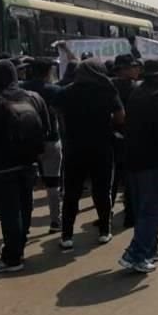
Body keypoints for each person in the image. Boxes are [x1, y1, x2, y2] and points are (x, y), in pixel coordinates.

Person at [0, 60, 51, 273]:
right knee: (25, 206)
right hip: (29, 162)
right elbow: (47, 129)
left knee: (9, 211)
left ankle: (12, 259)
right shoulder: (33, 97)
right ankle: (18, 249)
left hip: (1, 166)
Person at [120, 59, 158, 273]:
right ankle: (136, 254)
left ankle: (150, 247)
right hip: (154, 162)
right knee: (155, 211)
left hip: (134, 159)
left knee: (144, 208)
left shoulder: (137, 93)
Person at [58, 58, 124, 251]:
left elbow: (58, 113)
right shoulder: (107, 90)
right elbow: (120, 117)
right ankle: (104, 231)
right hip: (102, 146)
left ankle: (67, 236)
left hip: (74, 147)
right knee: (102, 190)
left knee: (71, 192)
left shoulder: (66, 91)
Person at [21, 58, 65, 233]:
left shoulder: (22, 90)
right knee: (53, 183)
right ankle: (55, 222)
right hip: (51, 139)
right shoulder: (55, 90)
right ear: (49, 71)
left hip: (27, 141)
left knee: (27, 185)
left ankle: (25, 224)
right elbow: (61, 115)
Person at [110, 54, 141, 227]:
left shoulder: (108, 86)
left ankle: (106, 215)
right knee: (129, 179)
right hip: (129, 136)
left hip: (114, 136)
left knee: (113, 179)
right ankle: (130, 215)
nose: (137, 69)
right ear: (123, 69)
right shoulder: (136, 88)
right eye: (133, 67)